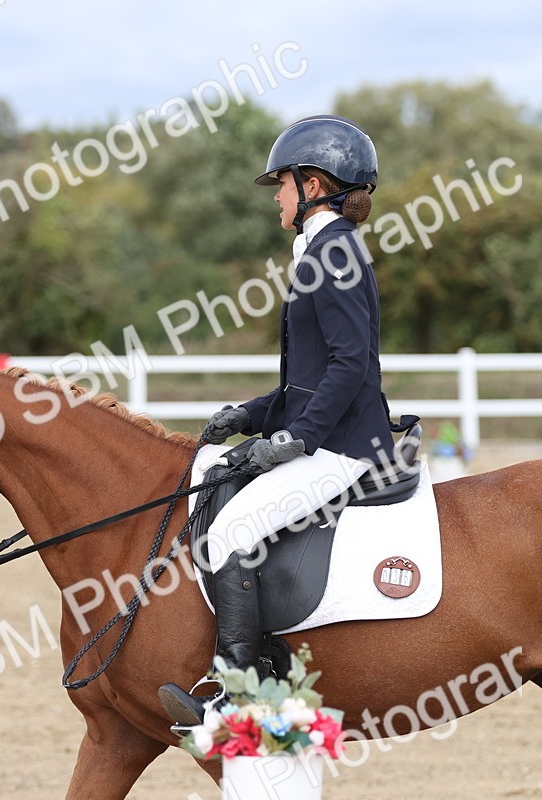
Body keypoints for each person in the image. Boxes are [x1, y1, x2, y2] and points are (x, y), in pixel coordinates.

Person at [158, 116, 395, 727]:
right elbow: (307, 381)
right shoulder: (320, 249)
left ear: (313, 184)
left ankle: (236, 689)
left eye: (283, 186)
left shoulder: (334, 251)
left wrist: (295, 439)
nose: (278, 198)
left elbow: (351, 365)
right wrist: (253, 415)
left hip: (344, 447)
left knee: (234, 532)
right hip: (329, 434)